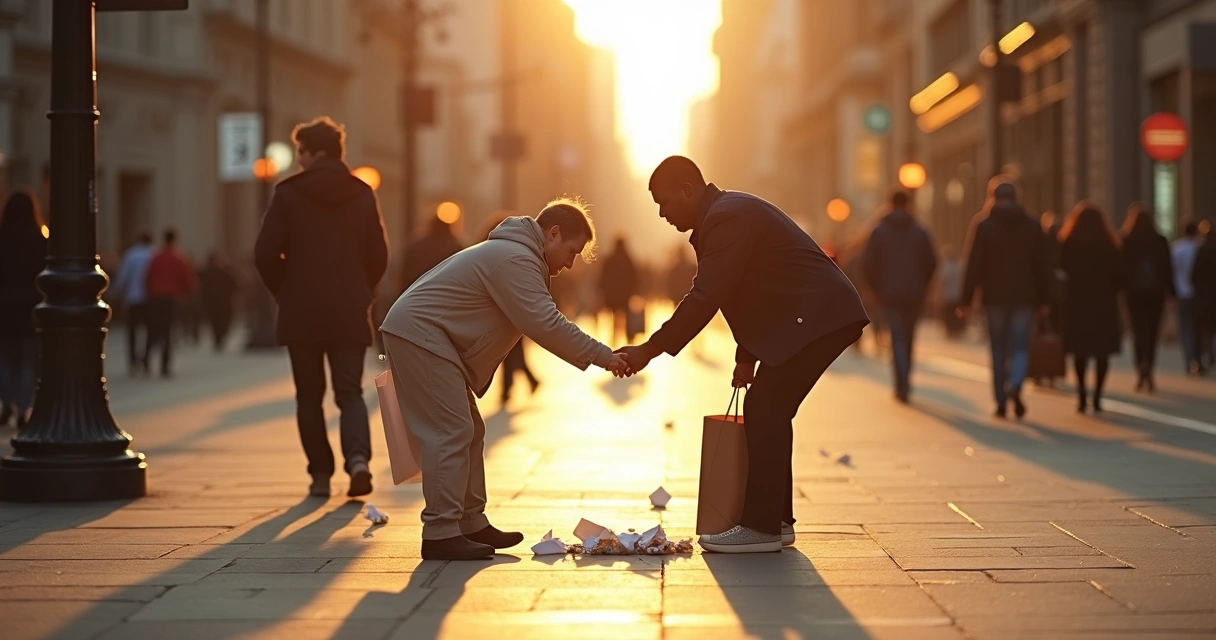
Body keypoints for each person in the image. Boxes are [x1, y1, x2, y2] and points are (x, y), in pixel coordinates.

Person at [616, 156, 869, 554]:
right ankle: (777, 521)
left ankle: (762, 526)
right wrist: (745, 357)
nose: (663, 214)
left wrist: (650, 349)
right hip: (813, 315)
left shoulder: (726, 217)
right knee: (769, 408)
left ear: (688, 189)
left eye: (665, 203)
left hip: (820, 315)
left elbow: (708, 294)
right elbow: (745, 290)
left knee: (766, 407)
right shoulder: (724, 214)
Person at [380, 199, 629, 561]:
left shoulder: (515, 254)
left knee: (470, 430)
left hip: (428, 335)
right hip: (420, 334)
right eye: (571, 251)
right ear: (553, 233)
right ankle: (440, 532)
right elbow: (544, 323)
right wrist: (605, 356)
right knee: (450, 430)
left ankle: (469, 522)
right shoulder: (516, 259)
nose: (570, 264)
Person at [255, 116, 389, 499]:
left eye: (301, 152)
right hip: (349, 307)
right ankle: (359, 460)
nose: (298, 160)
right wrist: (363, 290)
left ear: (316, 152)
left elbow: (265, 252)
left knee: (309, 396)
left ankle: (319, 474)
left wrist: (286, 290)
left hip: (302, 311)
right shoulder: (362, 193)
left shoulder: (288, 193)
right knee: (349, 391)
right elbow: (378, 253)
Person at [958, 177, 1050, 419]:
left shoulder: (984, 225)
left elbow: (973, 265)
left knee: (998, 349)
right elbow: (1043, 266)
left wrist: (965, 300)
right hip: (1024, 297)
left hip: (994, 297)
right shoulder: (1032, 224)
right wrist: (1045, 300)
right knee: (1020, 346)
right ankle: (1016, 383)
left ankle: (1000, 401)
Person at [862, 190, 937, 403]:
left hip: (889, 294)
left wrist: (876, 288)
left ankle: (901, 382)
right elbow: (931, 261)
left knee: (897, 338)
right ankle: (905, 379)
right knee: (909, 337)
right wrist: (923, 284)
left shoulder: (878, 231)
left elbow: (868, 264)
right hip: (914, 294)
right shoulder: (920, 231)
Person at [1058, 203, 1124, 412]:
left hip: (1078, 304)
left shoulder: (1069, 242)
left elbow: (1060, 269)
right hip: (1103, 304)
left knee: (1080, 352)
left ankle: (1081, 395)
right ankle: (1097, 397)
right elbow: (1120, 276)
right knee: (1101, 352)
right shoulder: (1108, 243)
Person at [0, 190, 48, 431]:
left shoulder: (2, 238)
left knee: (6, 359)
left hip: (5, 308)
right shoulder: (40, 239)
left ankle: (6, 403)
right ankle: (22, 409)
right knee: (28, 361)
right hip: (31, 307)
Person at [1120, 204, 1174, 393]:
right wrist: (1172, 293)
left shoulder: (1127, 240)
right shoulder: (1160, 240)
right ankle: (1149, 365)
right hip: (1156, 293)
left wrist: (1121, 288)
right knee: (1152, 332)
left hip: (1133, 294)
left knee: (1137, 331)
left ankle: (1140, 365)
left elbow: (1121, 268)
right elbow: (1168, 268)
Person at [144, 227, 197, 378]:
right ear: (175, 239)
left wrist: (149, 293)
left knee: (153, 328)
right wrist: (187, 295)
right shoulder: (179, 258)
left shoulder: (156, 258)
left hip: (155, 297)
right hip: (172, 298)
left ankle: (146, 359)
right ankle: (164, 365)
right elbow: (187, 280)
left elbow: (148, 277)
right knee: (168, 331)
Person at [112, 232, 156, 375]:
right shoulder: (153, 255)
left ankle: (132, 362)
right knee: (151, 329)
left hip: (133, 298)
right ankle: (146, 357)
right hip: (150, 299)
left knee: (132, 331)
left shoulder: (130, 255)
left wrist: (117, 293)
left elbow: (123, 276)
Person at [1171, 219, 1204, 375]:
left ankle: (1189, 361)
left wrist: (1171, 294)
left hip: (1182, 293)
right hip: (1199, 294)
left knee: (1186, 329)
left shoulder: (1177, 248)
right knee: (1199, 328)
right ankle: (1199, 359)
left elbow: (1171, 272)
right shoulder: (1200, 247)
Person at [401, 215, 464, 291]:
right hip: (444, 292)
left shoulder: (416, 245)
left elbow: (405, 274)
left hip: (416, 290)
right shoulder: (455, 247)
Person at [599, 236, 640, 343]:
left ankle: (614, 334)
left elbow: (603, 277)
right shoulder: (628, 259)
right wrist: (634, 289)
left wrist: (603, 290)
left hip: (612, 293)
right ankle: (628, 335)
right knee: (626, 312)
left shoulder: (609, 259)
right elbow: (634, 276)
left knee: (614, 313)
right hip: (624, 293)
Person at [198, 252, 239, 352]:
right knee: (221, 320)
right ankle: (219, 337)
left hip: (212, 302)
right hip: (222, 302)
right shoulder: (223, 271)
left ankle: (218, 337)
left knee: (215, 321)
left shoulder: (206, 272)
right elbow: (236, 285)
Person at [1194, 222, 1216, 370]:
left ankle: (1207, 354)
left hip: (1204, 296)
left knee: (1204, 328)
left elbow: (1194, 275)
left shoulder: (1201, 250)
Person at [936, 245, 964, 338]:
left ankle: (950, 330)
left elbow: (942, 281)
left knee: (948, 313)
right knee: (955, 313)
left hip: (948, 295)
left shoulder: (945, 266)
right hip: (958, 295)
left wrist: (939, 294)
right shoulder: (960, 265)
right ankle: (956, 329)